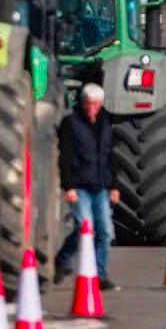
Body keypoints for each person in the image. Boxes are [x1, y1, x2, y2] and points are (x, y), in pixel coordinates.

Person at [54, 84, 120, 290]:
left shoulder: (106, 123)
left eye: (96, 104)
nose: (92, 108)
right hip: (79, 185)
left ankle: (100, 275)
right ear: (82, 103)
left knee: (105, 232)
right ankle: (64, 259)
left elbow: (111, 156)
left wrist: (114, 186)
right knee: (85, 229)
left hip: (100, 185)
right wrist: (69, 186)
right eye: (88, 104)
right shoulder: (70, 123)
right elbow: (65, 157)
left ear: (101, 105)